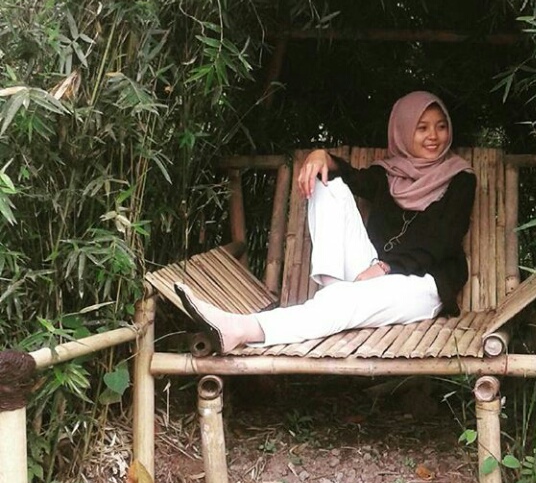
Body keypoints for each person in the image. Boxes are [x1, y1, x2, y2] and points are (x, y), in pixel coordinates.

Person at [174, 91, 477, 353]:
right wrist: (322, 156)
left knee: (346, 299)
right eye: (422, 128)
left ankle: (244, 328)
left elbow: (444, 239)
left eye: (441, 126)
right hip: (371, 273)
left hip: (423, 284)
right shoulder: (390, 173)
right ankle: (334, 290)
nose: (434, 136)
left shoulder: (460, 178)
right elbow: (351, 178)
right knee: (327, 184)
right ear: (402, 131)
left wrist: (388, 267)